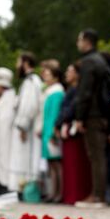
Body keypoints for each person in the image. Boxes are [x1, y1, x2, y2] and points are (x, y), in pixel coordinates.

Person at [74, 29, 109, 208]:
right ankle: (98, 194)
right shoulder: (100, 60)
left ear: (87, 41)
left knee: (96, 156)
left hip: (93, 114)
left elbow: (85, 91)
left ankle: (98, 195)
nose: (77, 43)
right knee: (97, 155)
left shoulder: (89, 62)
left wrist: (79, 116)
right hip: (101, 112)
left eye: (79, 40)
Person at [56, 63, 92, 205]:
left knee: (76, 164)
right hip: (68, 127)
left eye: (70, 71)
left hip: (73, 129)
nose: (66, 74)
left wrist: (60, 122)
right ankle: (70, 194)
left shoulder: (78, 90)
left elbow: (71, 108)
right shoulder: (71, 90)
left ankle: (76, 194)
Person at [10, 52, 42, 194]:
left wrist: (23, 126)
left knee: (27, 157)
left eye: (19, 62)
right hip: (27, 126)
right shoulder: (29, 81)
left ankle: (26, 188)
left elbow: (29, 105)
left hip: (27, 128)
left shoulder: (31, 81)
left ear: (26, 63)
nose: (17, 65)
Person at [39, 60, 65, 202]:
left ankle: (59, 192)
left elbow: (54, 114)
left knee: (56, 164)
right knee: (51, 164)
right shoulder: (49, 92)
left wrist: (52, 132)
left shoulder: (56, 93)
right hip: (46, 130)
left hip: (51, 131)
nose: (45, 77)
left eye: (48, 75)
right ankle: (53, 191)